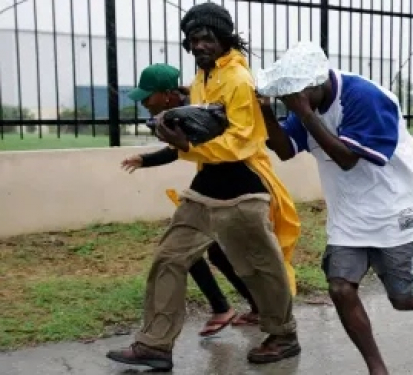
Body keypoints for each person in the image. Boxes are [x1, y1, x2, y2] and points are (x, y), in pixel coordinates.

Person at [256, 41, 413, 375]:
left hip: (394, 204)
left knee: (402, 298)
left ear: (315, 84)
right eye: (286, 99)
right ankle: (377, 368)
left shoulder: (364, 97)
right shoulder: (306, 103)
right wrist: (267, 109)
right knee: (340, 287)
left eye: (294, 97)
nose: (290, 104)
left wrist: (305, 114)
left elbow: (347, 159)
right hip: (349, 212)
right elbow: (284, 149)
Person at [106, 3, 301, 370]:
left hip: (244, 185)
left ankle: (283, 334)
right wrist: (176, 132)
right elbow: (202, 128)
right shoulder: (202, 78)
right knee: (170, 256)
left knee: (259, 266)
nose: (199, 45)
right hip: (207, 184)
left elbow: (241, 142)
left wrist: (186, 146)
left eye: (206, 37)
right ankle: (155, 345)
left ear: (223, 38)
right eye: (193, 39)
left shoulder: (240, 80)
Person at [121, 63, 261, 336]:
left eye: (148, 98)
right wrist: (145, 159)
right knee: (209, 251)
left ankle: (254, 313)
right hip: (216, 181)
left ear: (166, 94)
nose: (145, 104)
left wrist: (149, 158)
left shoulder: (192, 109)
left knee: (189, 248)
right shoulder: (186, 104)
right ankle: (250, 308)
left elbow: (187, 147)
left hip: (233, 183)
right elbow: (183, 147)